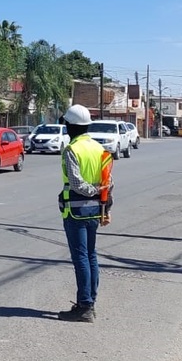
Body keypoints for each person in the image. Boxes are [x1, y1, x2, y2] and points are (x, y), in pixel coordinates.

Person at [56, 104, 112, 323]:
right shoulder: (99, 149)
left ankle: (85, 306)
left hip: (76, 212)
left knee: (81, 257)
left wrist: (92, 191)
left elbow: (77, 182)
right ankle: (90, 301)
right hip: (95, 211)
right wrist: (104, 205)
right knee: (91, 255)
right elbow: (109, 181)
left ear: (70, 126)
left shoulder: (72, 149)